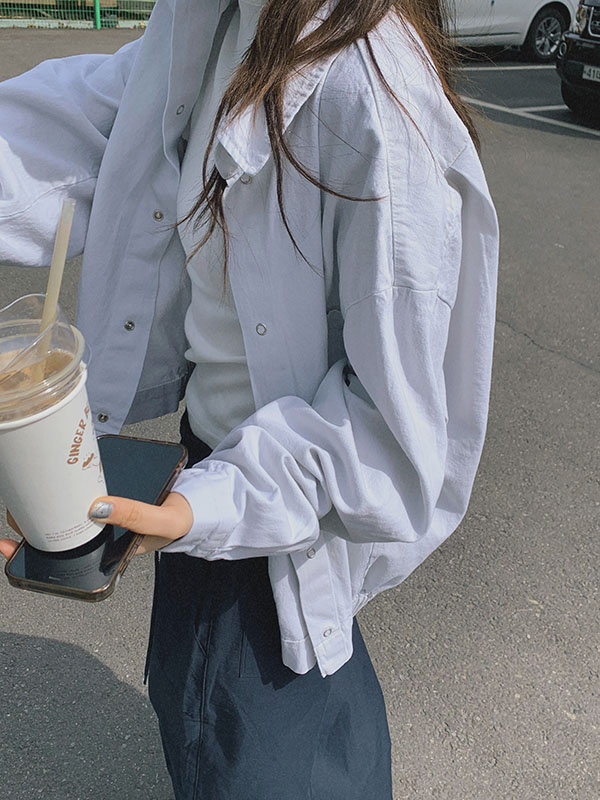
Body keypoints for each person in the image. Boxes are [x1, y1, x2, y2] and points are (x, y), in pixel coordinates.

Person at [0, 0, 499, 797]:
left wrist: (204, 507)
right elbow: (106, 119)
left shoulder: (371, 95)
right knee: (222, 721)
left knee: (247, 745)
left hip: (270, 526)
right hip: (216, 492)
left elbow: (393, 443)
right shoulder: (215, 16)